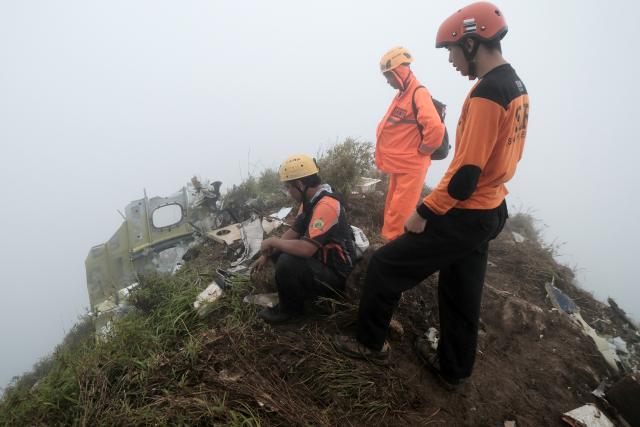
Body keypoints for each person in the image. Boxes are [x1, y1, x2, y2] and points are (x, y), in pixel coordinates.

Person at [333, 2, 529, 390]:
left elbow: (465, 173)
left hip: (467, 210)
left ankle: (369, 343)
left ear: (472, 43)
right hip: (491, 209)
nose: (452, 61)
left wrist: (425, 210)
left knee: (386, 266)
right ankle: (454, 369)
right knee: (460, 292)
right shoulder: (515, 85)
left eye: (453, 51)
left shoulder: (487, 94)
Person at [252, 154, 357, 324]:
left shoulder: (327, 205)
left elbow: (307, 249)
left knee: (287, 260)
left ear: (300, 184)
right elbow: (292, 233)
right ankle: (298, 293)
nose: (288, 192)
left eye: (289, 187)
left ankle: (290, 312)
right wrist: (266, 255)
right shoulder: (309, 202)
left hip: (337, 275)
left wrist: (272, 241)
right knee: (280, 252)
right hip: (323, 262)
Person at [376, 47, 446, 241]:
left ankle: (392, 247)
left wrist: (424, 150)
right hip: (400, 164)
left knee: (400, 210)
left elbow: (435, 129)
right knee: (392, 206)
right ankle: (387, 241)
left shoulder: (418, 93)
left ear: (399, 72)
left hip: (411, 165)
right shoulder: (402, 94)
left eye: (389, 76)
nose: (388, 81)